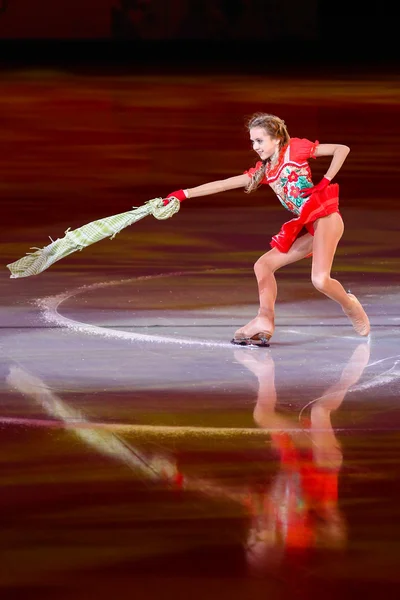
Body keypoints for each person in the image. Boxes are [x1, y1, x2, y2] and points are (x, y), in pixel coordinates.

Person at [163, 112, 370, 346]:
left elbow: (341, 149)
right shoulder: (266, 172)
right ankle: (264, 319)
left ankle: (350, 304)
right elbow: (223, 184)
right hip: (309, 226)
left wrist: (325, 181)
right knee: (263, 265)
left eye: (259, 141)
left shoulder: (295, 149)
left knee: (320, 280)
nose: (255, 147)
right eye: (252, 142)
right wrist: (183, 194)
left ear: (277, 139)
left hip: (326, 218)